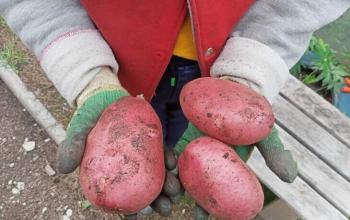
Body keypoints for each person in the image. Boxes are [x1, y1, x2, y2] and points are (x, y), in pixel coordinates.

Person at [1, 1, 350, 219]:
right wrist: (84, 71)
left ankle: (167, 158)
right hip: (113, 58)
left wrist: (252, 66)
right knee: (148, 136)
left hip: (220, 63)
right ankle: (155, 163)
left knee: (182, 139)